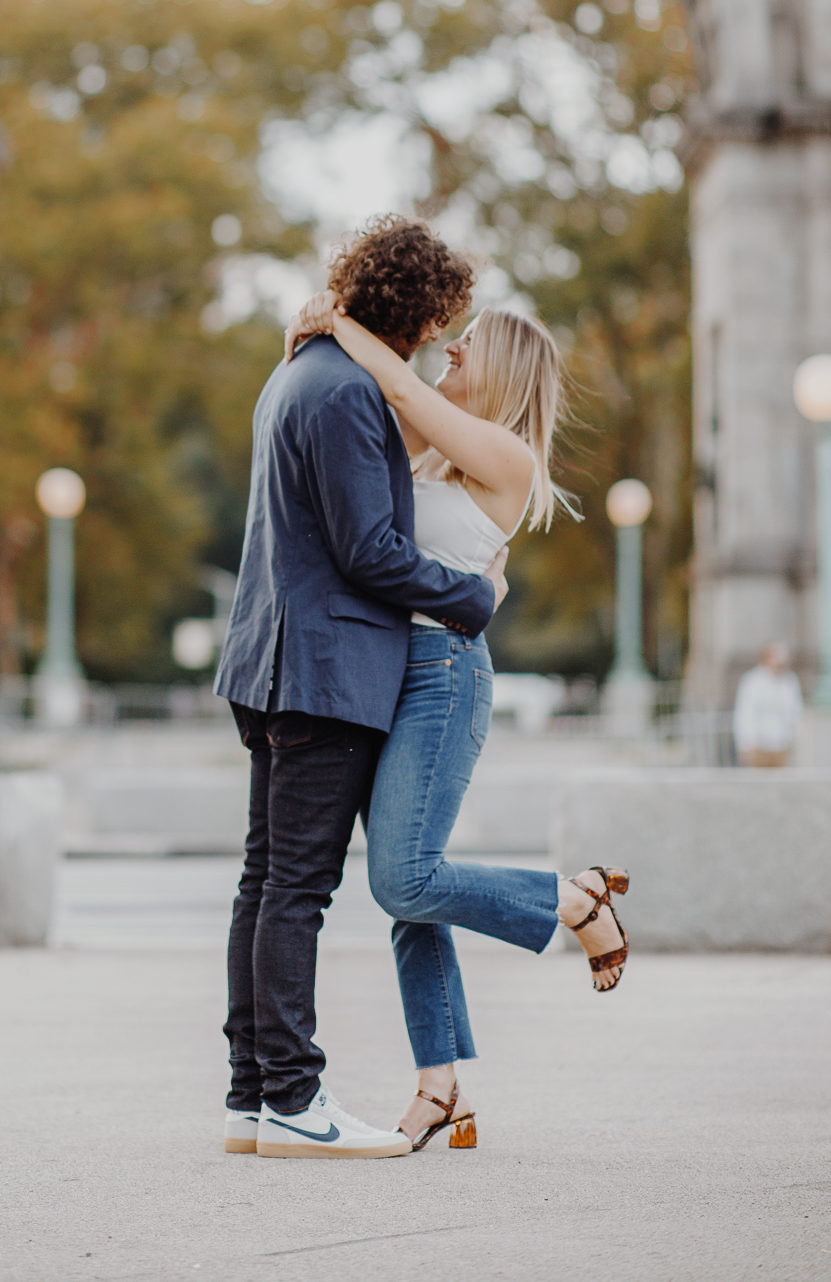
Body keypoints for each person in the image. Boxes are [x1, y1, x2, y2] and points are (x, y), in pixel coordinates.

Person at [284, 289, 631, 1154]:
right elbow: (358, 438)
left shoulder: (505, 455)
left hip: (440, 676)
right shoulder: (434, 455)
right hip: (385, 673)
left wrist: (342, 320)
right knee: (415, 892)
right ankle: (439, 1086)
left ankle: (572, 899)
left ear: (502, 366)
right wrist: (301, 341)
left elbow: (397, 388)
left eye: (466, 344)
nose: (448, 350)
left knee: (402, 878)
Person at [213, 217, 507, 1160]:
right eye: (443, 315)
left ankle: (253, 1098)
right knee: (295, 889)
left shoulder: (295, 371)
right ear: (420, 311)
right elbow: (368, 552)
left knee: (266, 883)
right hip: (324, 671)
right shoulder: (345, 393)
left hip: (273, 658)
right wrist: (474, 596)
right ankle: (295, 1099)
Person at [733, 644, 803, 767]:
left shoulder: (789, 681)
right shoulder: (752, 681)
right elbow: (745, 714)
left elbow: (795, 711)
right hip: (759, 745)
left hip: (782, 744)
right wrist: (746, 743)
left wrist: (794, 738)